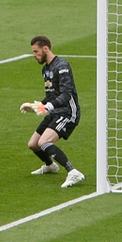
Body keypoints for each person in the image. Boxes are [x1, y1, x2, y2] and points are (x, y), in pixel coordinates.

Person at [20, 36, 84, 188]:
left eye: (36, 51)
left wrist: (49, 106)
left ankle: (73, 172)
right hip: (56, 112)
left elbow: (66, 93)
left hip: (68, 112)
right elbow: (51, 96)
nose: (34, 55)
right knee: (33, 144)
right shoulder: (46, 69)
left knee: (44, 142)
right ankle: (50, 166)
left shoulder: (62, 66)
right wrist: (35, 105)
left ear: (45, 48)